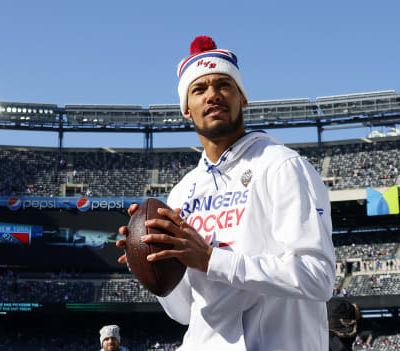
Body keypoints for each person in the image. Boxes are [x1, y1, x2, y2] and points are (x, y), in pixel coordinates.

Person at [117, 36, 336, 350]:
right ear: (186, 110)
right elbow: (184, 312)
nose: (213, 95)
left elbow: (318, 277)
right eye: (199, 89)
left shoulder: (282, 166)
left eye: (223, 85)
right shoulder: (181, 194)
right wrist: (149, 262)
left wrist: (210, 259)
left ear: (242, 99)